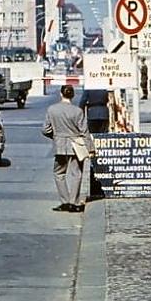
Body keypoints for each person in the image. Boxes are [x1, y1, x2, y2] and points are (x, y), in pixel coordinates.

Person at [42, 84, 95, 213]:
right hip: (76, 144)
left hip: (60, 144)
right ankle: (74, 202)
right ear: (73, 95)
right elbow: (84, 131)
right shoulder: (77, 111)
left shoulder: (52, 109)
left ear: (61, 94)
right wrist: (90, 148)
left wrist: (55, 136)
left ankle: (64, 201)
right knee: (76, 173)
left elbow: (45, 129)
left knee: (59, 173)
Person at [79, 87, 110, 199]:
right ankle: (102, 153)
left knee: (93, 137)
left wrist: (81, 114)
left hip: (92, 114)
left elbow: (82, 101)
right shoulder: (104, 87)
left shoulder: (89, 87)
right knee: (103, 137)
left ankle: (94, 154)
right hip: (104, 112)